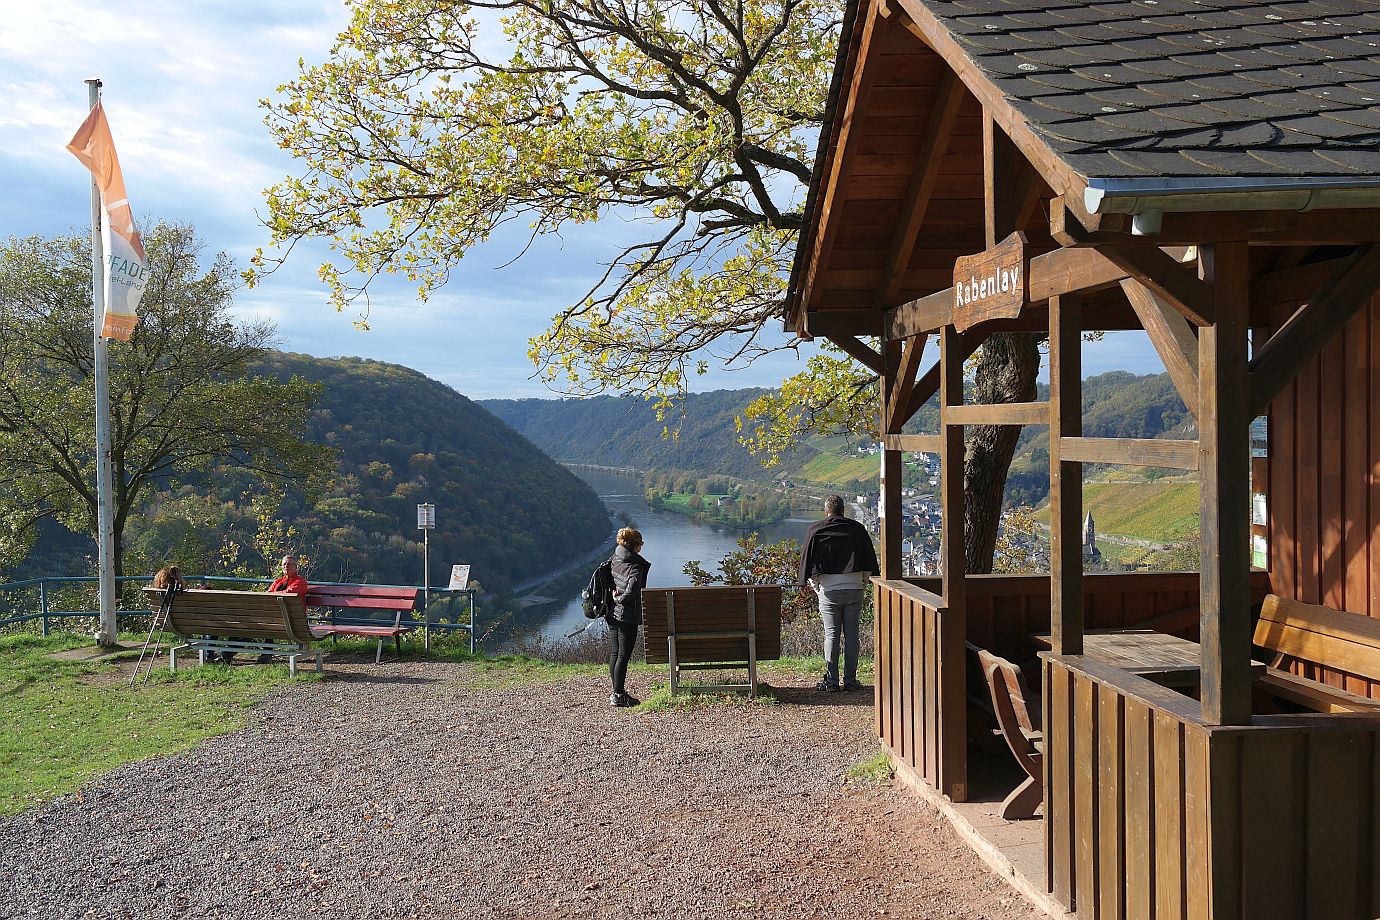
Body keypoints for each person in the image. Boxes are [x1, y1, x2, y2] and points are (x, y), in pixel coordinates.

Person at [798, 495, 879, 692]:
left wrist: (817, 588)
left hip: (829, 591)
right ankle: (850, 681)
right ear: (843, 510)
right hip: (854, 588)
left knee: (831, 634)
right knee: (852, 634)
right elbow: (869, 560)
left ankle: (832, 682)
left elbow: (807, 564)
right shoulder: (857, 529)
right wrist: (863, 582)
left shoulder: (817, 530)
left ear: (827, 511)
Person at [222, 555, 309, 665]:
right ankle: (228, 654)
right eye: (284, 564)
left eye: (289, 564)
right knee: (245, 626)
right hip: (272, 617)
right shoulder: (278, 581)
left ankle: (227, 654)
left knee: (250, 627)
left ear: (296, 567)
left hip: (291, 620)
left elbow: (289, 594)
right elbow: (266, 595)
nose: (286, 566)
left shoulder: (300, 582)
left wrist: (273, 594)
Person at [607, 527, 650, 708]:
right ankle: (618, 695)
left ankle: (617, 691)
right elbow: (632, 592)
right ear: (636, 546)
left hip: (611, 612)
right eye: (641, 544)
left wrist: (615, 598)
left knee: (616, 653)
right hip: (627, 615)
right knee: (623, 655)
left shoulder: (615, 558)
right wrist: (621, 599)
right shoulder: (634, 566)